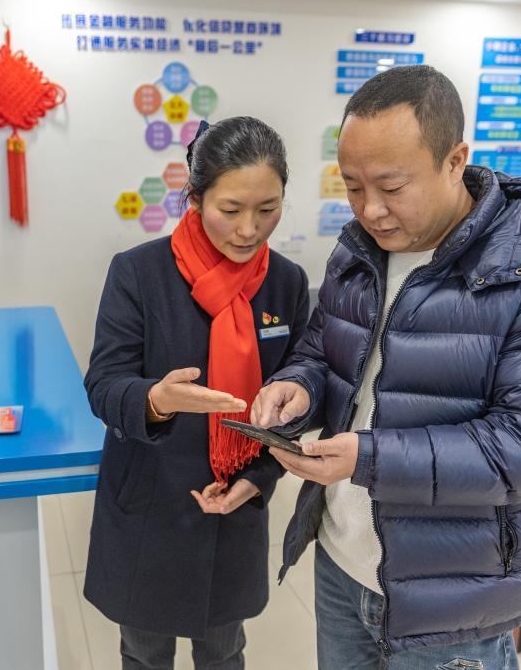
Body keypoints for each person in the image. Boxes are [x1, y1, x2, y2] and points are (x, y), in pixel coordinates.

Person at [251, 65, 521, 669]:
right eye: (352, 186)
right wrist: (299, 386)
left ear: (455, 161)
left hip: (454, 599)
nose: (371, 209)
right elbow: (323, 349)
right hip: (341, 561)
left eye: (392, 186)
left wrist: (369, 458)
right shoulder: (357, 252)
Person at [82, 116, 309, 669]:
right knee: (144, 653)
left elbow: (295, 400)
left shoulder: (287, 283)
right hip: (151, 504)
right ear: (195, 197)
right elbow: (104, 384)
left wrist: (257, 480)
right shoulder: (139, 273)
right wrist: (156, 400)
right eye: (230, 210)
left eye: (268, 209)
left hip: (233, 506)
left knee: (224, 651)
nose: (249, 230)